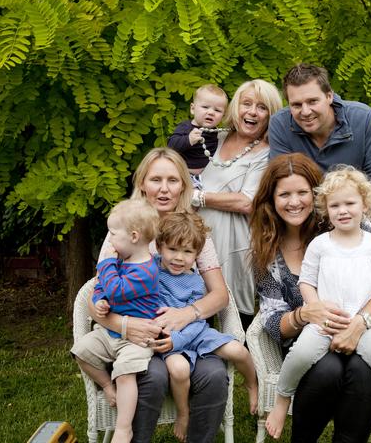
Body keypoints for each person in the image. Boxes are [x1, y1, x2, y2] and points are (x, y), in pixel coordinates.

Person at [86, 147, 232, 443]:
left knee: (215, 376)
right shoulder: (124, 230)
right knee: (151, 376)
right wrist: (125, 326)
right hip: (136, 340)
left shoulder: (194, 231)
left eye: (173, 180)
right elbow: (94, 296)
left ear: (183, 185)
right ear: (142, 183)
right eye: (155, 180)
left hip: (186, 337)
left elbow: (220, 295)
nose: (164, 189)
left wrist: (187, 314)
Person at [249, 153, 371, 443]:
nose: (294, 202)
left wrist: (359, 324)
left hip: (363, 330)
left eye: (302, 192)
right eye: (284, 194)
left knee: (361, 368)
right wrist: (305, 314)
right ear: (271, 200)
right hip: (308, 341)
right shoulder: (267, 253)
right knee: (327, 368)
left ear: (317, 196)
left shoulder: (348, 222)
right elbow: (273, 322)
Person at [268, 63, 371, 270]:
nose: (305, 111)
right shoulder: (280, 124)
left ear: (329, 96)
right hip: (305, 223)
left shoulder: (362, 118)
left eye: (312, 101)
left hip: (357, 222)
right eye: (296, 105)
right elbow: (280, 185)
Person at [152, 211, 258, 441]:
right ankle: (183, 413)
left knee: (237, 350)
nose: (179, 258)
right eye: (172, 249)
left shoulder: (195, 280)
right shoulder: (151, 274)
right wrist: (174, 341)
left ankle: (252, 384)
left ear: (197, 254)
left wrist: (183, 335)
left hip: (194, 332)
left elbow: (197, 319)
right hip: (169, 340)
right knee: (179, 370)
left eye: (187, 251)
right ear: (159, 247)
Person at [194, 79, 283, 329]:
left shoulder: (266, 152)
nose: (252, 112)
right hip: (194, 239)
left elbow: (248, 201)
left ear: (270, 115)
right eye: (246, 104)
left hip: (234, 244)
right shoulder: (214, 139)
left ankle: (241, 365)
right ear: (236, 108)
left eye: (262, 107)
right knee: (194, 309)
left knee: (233, 319)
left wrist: (198, 197)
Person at [71, 199, 160, 443]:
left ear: (133, 236)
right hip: (110, 332)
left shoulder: (146, 271)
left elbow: (116, 288)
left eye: (112, 233)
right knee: (81, 351)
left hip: (137, 340)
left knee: (125, 374)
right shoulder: (121, 260)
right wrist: (99, 301)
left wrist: (106, 263)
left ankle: (124, 427)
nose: (109, 241)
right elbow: (103, 287)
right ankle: (107, 387)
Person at [167, 84, 228, 185]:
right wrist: (189, 139)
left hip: (207, 177)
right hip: (184, 175)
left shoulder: (217, 133)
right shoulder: (186, 127)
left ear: (223, 116)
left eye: (217, 110)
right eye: (205, 107)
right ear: (192, 108)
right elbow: (170, 146)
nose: (211, 112)